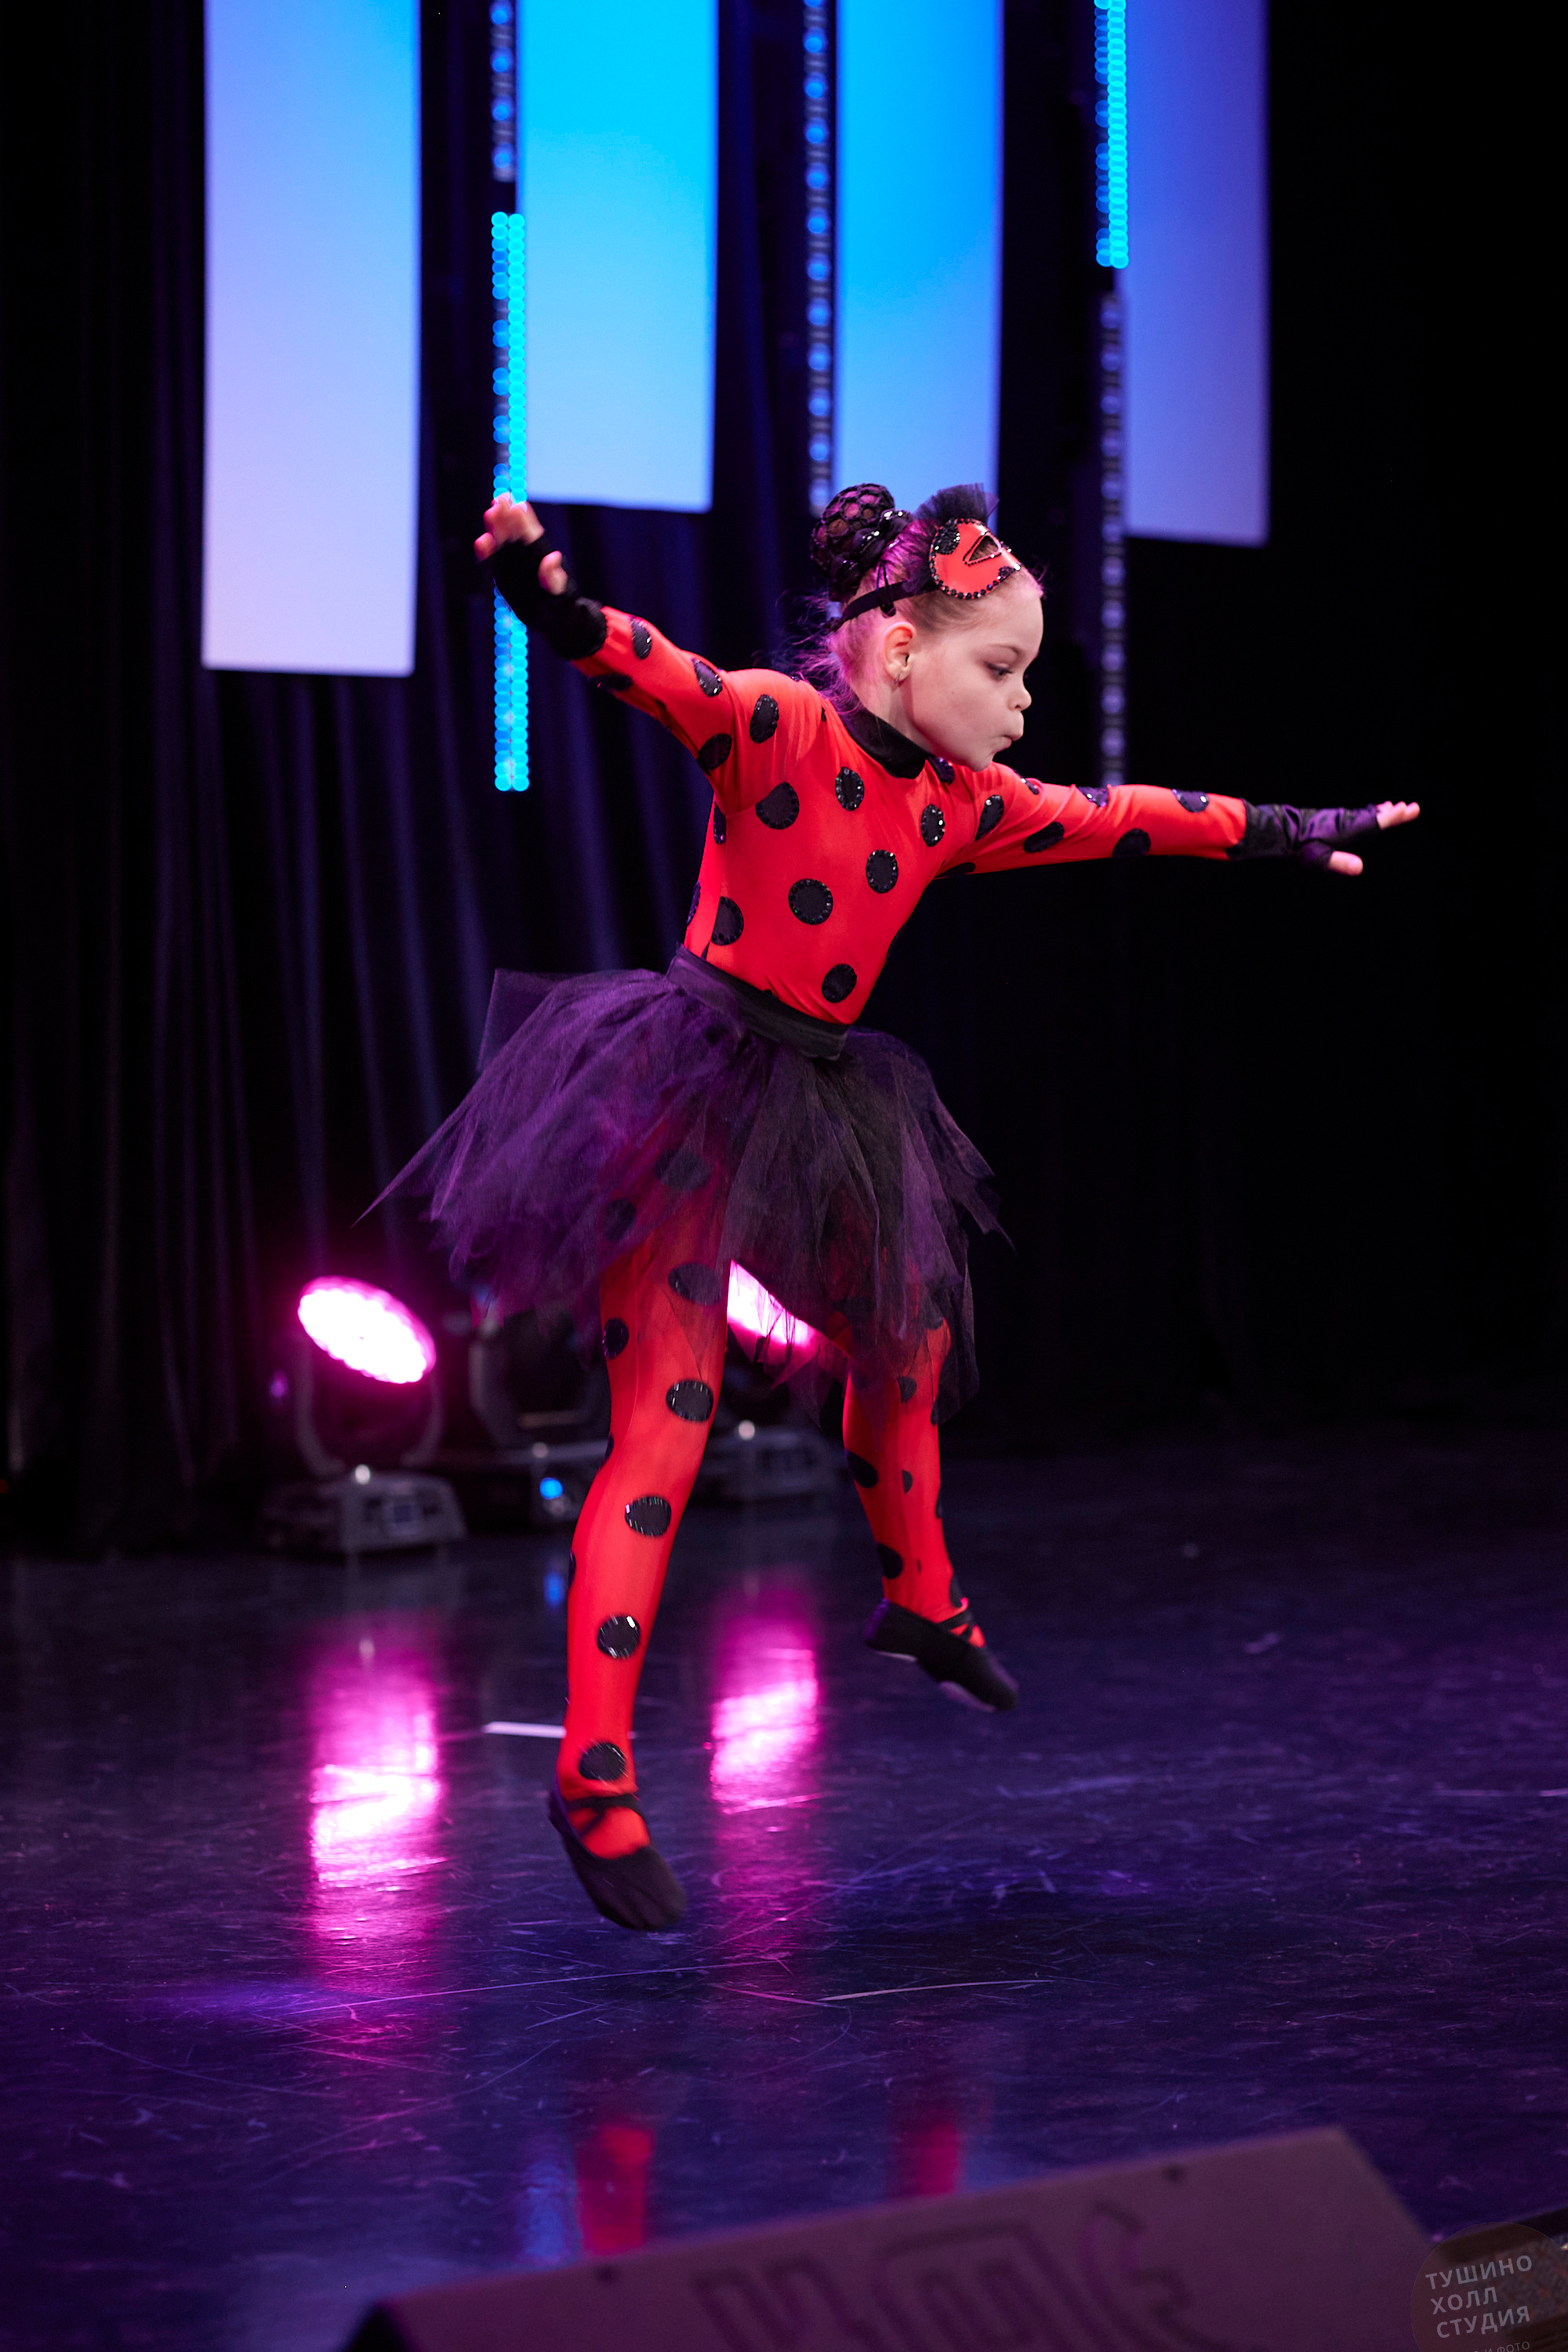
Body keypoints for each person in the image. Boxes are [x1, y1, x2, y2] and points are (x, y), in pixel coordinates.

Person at [387, 481, 1418, 1933]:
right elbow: (643, 663)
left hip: (827, 1105)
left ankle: (922, 1601)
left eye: (1030, 674)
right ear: (889, 652)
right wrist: (545, 600)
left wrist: (1286, 829)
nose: (1021, 705)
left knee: (911, 1344)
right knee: (667, 1432)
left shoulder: (963, 803)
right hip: (684, 1095)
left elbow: (1122, 816)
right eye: (999, 669)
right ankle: (595, 1774)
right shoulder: (776, 727)